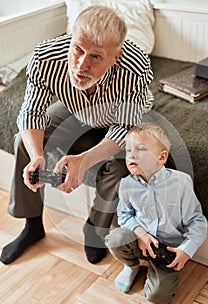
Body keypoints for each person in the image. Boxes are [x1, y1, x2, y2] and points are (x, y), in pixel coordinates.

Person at [0, 6, 154, 265]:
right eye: (78, 50)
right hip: (77, 110)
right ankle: (32, 225)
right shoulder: (45, 57)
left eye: (95, 57)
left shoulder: (134, 67)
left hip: (121, 118)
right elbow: (32, 112)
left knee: (123, 165)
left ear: (115, 57)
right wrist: (37, 156)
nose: (82, 65)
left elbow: (123, 127)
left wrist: (83, 161)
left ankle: (94, 227)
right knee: (24, 143)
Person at [105, 123, 208, 304]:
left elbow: (197, 221)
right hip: (139, 240)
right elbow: (124, 215)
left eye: (140, 149)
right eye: (128, 150)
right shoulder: (127, 184)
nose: (131, 155)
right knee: (115, 238)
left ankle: (157, 273)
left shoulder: (181, 183)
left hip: (166, 250)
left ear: (161, 157)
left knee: (158, 298)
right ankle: (131, 265)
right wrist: (141, 234)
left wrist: (186, 250)